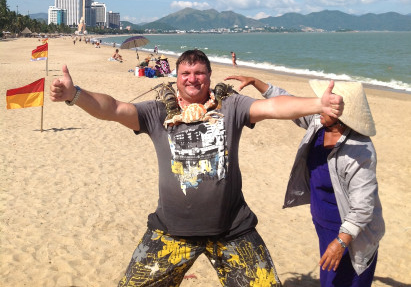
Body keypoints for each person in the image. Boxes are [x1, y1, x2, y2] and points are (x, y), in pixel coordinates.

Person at [50, 49, 343, 287]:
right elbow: (113, 108)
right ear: (177, 78)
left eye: (199, 73)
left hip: (232, 229)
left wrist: (319, 104)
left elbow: (274, 107)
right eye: (186, 73)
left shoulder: (232, 107)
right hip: (171, 230)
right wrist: (75, 95)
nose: (193, 79)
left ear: (209, 76)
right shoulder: (157, 112)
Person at [225, 74, 384, 287]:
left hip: (350, 232)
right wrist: (257, 83)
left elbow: (363, 207)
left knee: (347, 279)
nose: (319, 107)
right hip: (324, 224)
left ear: (339, 114)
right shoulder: (319, 124)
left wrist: (340, 241)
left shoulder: (360, 149)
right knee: (330, 280)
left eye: (325, 104)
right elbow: (290, 103)